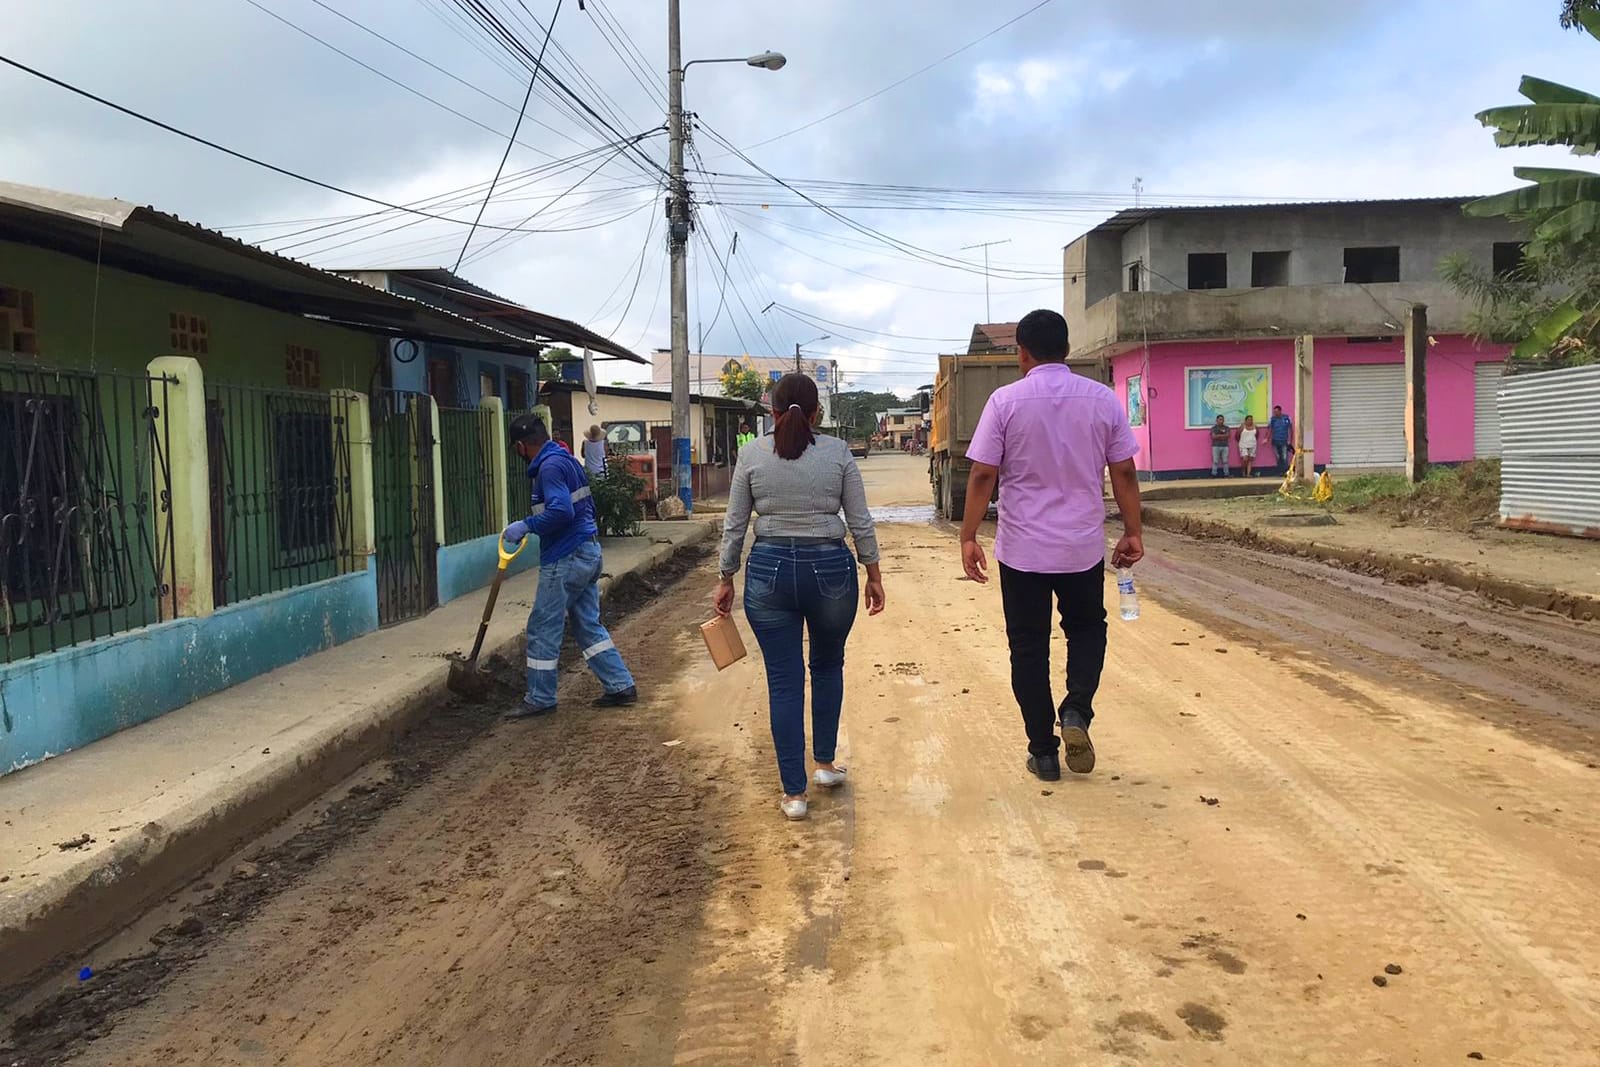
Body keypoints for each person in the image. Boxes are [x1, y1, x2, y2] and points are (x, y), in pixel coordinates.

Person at [959, 309, 1142, 782]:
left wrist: (969, 535)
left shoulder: (1004, 402)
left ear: (1021, 353)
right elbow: (1124, 471)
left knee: (1028, 648)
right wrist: (1133, 531)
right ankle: (1077, 709)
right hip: (1081, 548)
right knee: (1087, 630)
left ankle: (1042, 751)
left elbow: (982, 474)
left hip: (1023, 552)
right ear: (1067, 349)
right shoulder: (1102, 400)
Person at [717, 373, 885, 821]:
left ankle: (794, 794)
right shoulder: (838, 453)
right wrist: (873, 573)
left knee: (784, 681)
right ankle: (825, 765)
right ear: (817, 413)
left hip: (768, 572)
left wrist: (725, 576)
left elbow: (735, 524)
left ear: (771, 412)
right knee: (828, 665)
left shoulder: (751, 454)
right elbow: (860, 520)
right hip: (830, 570)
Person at [502, 414, 637, 719]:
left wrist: (527, 525)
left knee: (542, 627)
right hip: (587, 550)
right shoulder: (566, 460)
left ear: (522, 446)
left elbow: (561, 511)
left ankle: (540, 697)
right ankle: (620, 685)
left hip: (566, 557)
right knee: (587, 623)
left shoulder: (548, 468)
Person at [1269, 405, 1294, 473]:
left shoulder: (1286, 418)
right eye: (1274, 412)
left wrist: (1290, 440)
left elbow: (1291, 429)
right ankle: (1280, 471)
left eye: (1276, 411)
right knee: (1278, 457)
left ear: (1280, 411)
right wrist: (1267, 438)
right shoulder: (1273, 419)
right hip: (1275, 440)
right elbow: (1270, 429)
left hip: (1284, 441)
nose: (1275, 413)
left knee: (1284, 457)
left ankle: (1285, 471)